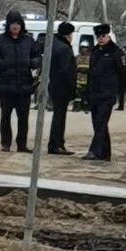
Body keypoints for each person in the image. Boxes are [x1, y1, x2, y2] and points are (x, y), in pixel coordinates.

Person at [0, 9, 39, 152]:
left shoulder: (29, 41)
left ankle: (22, 144)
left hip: (25, 86)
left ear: (21, 25)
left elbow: (37, 57)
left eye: (17, 24)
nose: (15, 27)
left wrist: (32, 62)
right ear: (8, 25)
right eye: (12, 24)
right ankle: (6, 143)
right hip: (6, 86)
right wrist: (3, 63)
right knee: (5, 117)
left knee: (23, 118)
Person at [85, 22, 123, 162]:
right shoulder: (95, 51)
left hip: (107, 94)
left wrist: (117, 92)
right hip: (95, 93)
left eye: (103, 36)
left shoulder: (115, 52)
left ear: (108, 36)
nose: (100, 39)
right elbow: (91, 72)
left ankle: (94, 151)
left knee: (100, 123)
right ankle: (105, 153)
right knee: (98, 124)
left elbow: (122, 73)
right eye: (98, 36)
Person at [47, 21, 77, 156]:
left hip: (54, 84)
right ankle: (56, 144)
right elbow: (66, 71)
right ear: (68, 35)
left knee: (58, 115)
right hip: (62, 87)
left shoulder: (53, 44)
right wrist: (72, 88)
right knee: (60, 116)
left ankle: (57, 143)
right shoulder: (64, 48)